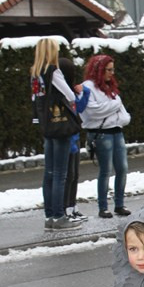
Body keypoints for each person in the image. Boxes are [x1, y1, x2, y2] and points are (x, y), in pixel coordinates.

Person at [30, 38, 82, 231]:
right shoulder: (53, 71)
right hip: (59, 126)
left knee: (49, 173)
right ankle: (60, 216)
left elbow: (35, 99)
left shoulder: (35, 73)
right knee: (61, 173)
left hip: (46, 126)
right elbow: (69, 95)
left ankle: (49, 215)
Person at [80, 54, 131, 219]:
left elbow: (124, 116)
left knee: (122, 168)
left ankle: (119, 204)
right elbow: (92, 111)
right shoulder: (88, 87)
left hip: (116, 131)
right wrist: (114, 106)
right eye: (108, 70)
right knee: (105, 170)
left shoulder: (110, 87)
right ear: (99, 70)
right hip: (101, 133)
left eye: (112, 70)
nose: (111, 73)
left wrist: (109, 108)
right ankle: (103, 207)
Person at [58, 57, 90, 222]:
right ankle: (65, 208)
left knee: (75, 174)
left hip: (75, 136)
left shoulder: (70, 91)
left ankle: (72, 205)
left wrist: (85, 93)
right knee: (67, 175)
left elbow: (80, 108)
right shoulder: (61, 92)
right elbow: (75, 108)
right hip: (67, 138)